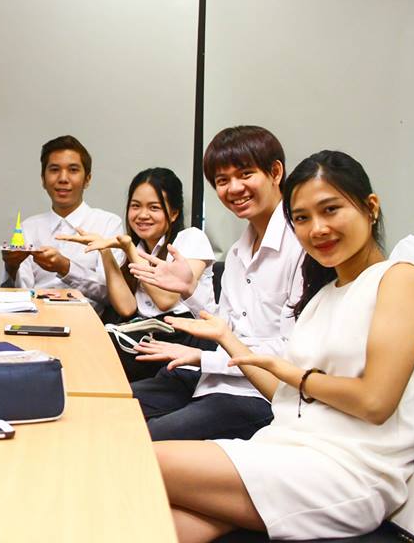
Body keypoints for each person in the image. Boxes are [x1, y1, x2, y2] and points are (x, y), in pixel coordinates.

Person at [154, 150, 414, 542]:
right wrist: (228, 339)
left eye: (330, 210)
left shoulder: (399, 279)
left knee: (136, 460)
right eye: (302, 218)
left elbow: (375, 402)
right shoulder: (323, 296)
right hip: (285, 447)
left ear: (370, 207)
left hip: (348, 471)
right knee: (147, 519)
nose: (317, 229)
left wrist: (295, 375)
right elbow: (286, 398)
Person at [128, 126, 304, 440]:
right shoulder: (238, 251)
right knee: (113, 405)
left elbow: (291, 350)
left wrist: (203, 357)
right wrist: (189, 291)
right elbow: (226, 326)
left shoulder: (301, 246)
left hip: (257, 395)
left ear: (276, 172)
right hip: (212, 379)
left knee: (144, 438)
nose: (234, 188)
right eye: (222, 181)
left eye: (246, 174)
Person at [57, 168, 216, 380]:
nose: (142, 215)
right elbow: (127, 308)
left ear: (174, 213)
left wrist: (130, 249)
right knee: (82, 345)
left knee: (94, 356)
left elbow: (166, 301)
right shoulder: (137, 248)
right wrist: (105, 251)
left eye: (154, 207)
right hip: (149, 334)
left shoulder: (191, 238)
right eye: (135, 206)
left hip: (186, 338)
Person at [0, 135, 124, 311]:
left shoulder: (108, 224)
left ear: (87, 179)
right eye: (54, 170)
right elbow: (19, 296)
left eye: (73, 170)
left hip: (88, 321)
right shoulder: (29, 227)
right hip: (36, 319)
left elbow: (111, 294)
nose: (63, 178)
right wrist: (11, 267)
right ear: (43, 179)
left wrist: (66, 268)